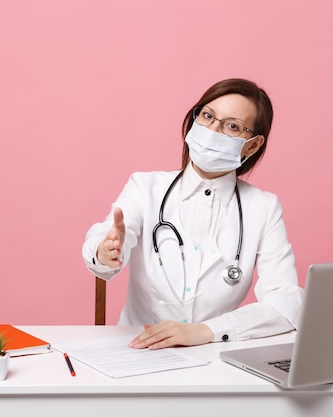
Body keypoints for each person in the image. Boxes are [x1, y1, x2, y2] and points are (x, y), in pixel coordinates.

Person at [82, 78, 303, 350]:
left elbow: (286, 303)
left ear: (252, 146)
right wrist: (105, 251)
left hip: (213, 356)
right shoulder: (145, 187)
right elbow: (108, 242)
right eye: (208, 116)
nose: (213, 130)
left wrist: (207, 331)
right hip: (138, 351)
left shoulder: (263, 208)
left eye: (232, 126)